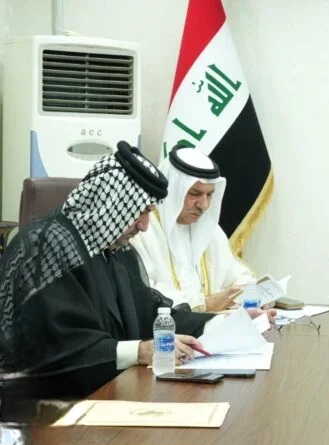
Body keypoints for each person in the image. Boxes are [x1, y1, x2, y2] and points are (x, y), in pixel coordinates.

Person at [0, 142, 222, 421]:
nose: (144, 226)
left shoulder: (112, 250)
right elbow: (60, 347)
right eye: (140, 212)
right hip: (43, 411)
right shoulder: (46, 246)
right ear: (110, 204)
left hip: (103, 396)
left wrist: (221, 324)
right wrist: (140, 351)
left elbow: (150, 312)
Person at [130, 146, 258, 312]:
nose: (203, 205)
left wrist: (254, 294)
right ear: (172, 189)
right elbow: (144, 293)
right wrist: (205, 303)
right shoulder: (141, 229)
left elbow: (237, 276)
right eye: (194, 193)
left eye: (209, 195)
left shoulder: (211, 230)